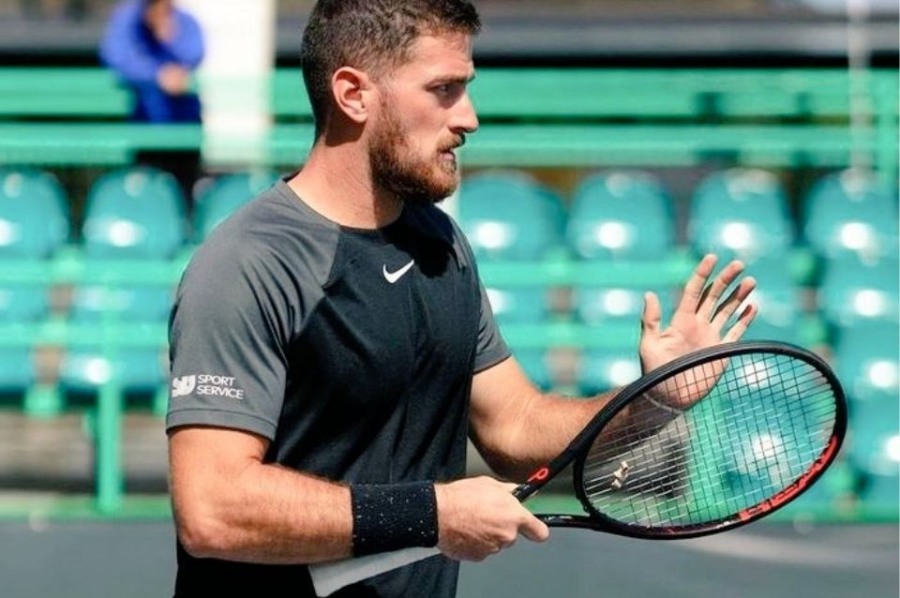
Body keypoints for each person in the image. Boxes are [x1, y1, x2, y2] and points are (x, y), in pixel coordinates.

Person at [165, 1, 758, 597]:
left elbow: (514, 430)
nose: (468, 117)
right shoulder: (249, 262)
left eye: (465, 88)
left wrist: (652, 402)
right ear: (353, 95)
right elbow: (212, 509)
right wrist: (432, 514)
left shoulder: (440, 242)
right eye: (443, 89)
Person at [99, 0, 205, 201]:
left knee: (183, 193)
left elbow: (195, 53)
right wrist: (156, 75)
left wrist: (171, 38)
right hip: (146, 127)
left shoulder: (183, 20)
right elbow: (115, 57)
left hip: (184, 128)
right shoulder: (128, 19)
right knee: (145, 191)